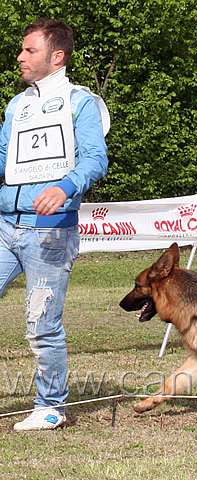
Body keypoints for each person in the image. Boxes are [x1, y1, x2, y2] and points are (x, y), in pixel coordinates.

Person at [0, 19, 110, 431]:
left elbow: (95, 160)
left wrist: (65, 187)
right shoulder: (17, 105)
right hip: (4, 226)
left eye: (29, 50)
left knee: (41, 325)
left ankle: (51, 407)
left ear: (56, 56)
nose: (20, 57)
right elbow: (3, 157)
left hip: (50, 233)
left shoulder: (81, 103)